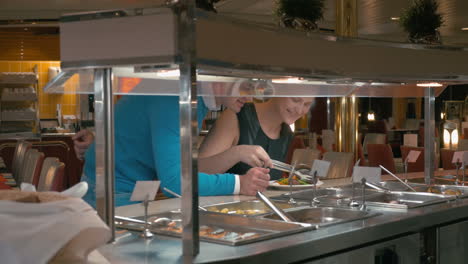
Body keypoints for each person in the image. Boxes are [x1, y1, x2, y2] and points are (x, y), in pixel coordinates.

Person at [79, 81, 271, 207]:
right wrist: (239, 183)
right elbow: (175, 183)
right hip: (112, 194)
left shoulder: (193, 98)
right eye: (245, 86)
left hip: (136, 189)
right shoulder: (176, 97)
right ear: (220, 76)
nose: (249, 96)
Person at [198, 97, 314, 180]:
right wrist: (237, 153)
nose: (299, 110)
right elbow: (197, 172)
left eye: (307, 104)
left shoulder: (286, 133)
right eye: (295, 100)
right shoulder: (236, 115)